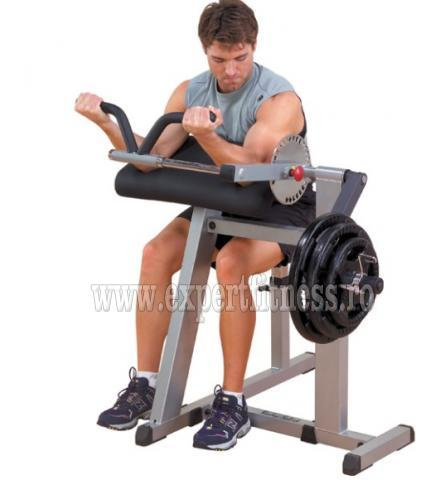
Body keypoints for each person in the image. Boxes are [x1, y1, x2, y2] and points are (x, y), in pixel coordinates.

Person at [75, 0, 315, 450]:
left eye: (240, 58)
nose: (230, 71)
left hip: (279, 206)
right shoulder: (191, 91)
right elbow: (150, 157)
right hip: (220, 202)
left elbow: (251, 168)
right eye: (219, 60)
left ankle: (233, 402)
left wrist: (206, 135)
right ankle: (147, 384)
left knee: (232, 264)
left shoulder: (279, 100)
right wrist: (106, 124)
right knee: (154, 253)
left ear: (255, 45)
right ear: (205, 50)